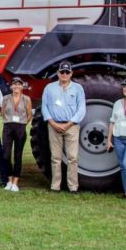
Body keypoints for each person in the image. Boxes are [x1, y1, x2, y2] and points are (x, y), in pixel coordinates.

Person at [40, 61, 86, 193]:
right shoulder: (49, 88)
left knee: (72, 158)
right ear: (58, 73)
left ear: (71, 73)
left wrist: (69, 124)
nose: (64, 74)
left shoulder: (78, 88)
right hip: (54, 125)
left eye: (67, 72)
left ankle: (73, 187)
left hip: (71, 126)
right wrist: (53, 123)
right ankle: (55, 186)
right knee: (55, 158)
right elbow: (44, 107)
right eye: (62, 72)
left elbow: (81, 109)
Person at [0, 77, 32, 192]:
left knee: (18, 156)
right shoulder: (5, 99)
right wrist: (8, 121)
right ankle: (9, 180)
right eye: (14, 84)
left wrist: (23, 124)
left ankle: (15, 182)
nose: (16, 87)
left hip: (20, 128)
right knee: (6, 155)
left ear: (22, 86)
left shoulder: (26, 99)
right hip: (8, 127)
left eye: (19, 84)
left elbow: (29, 115)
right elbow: (2, 113)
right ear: (11, 86)